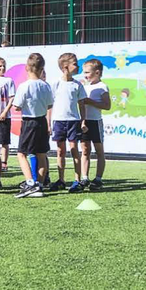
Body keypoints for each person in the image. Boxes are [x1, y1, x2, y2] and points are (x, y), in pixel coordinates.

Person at [12, 53, 55, 198]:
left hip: (29, 122)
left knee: (21, 153)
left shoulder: (24, 86)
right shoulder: (45, 86)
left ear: (27, 67)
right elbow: (50, 104)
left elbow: (17, 106)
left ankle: (30, 183)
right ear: (42, 69)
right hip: (42, 121)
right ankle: (40, 185)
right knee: (41, 154)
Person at [50, 52, 85, 192]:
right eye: (75, 64)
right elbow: (49, 105)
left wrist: (83, 121)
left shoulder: (77, 85)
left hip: (73, 121)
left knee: (74, 149)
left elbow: (81, 104)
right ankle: (61, 180)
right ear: (65, 66)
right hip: (58, 121)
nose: (78, 67)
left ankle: (77, 180)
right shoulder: (56, 84)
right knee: (60, 151)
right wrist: (48, 123)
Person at [79, 57, 110, 192]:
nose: (85, 75)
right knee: (85, 150)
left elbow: (107, 106)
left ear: (97, 72)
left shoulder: (102, 87)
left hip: (95, 122)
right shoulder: (83, 86)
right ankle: (84, 177)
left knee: (99, 151)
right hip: (84, 121)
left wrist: (90, 102)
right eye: (84, 72)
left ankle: (98, 179)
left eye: (87, 72)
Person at [0, 56, 16, 176]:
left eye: (3, 66)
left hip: (4, 116)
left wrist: (5, 111)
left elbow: (11, 98)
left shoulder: (8, 81)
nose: (2, 68)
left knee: (4, 140)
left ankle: (4, 162)